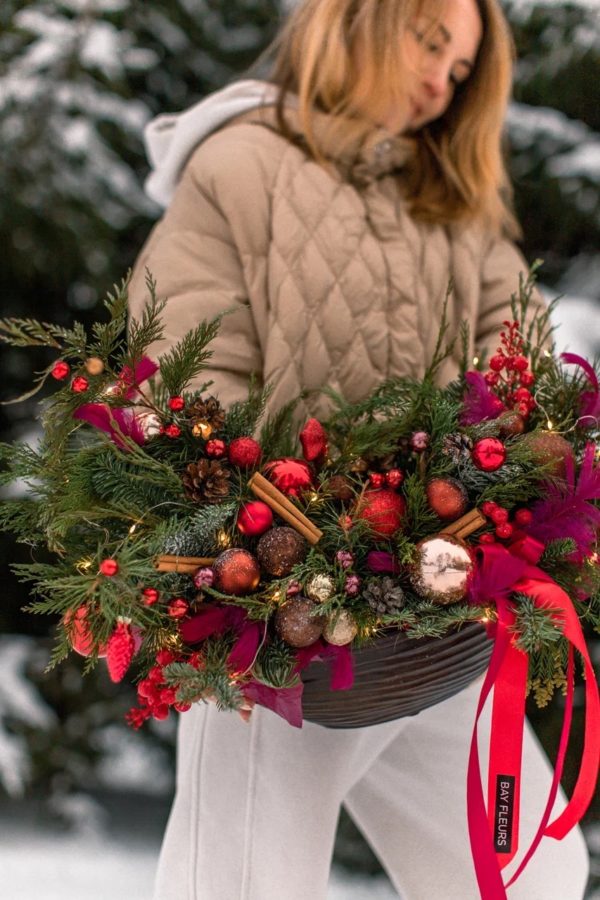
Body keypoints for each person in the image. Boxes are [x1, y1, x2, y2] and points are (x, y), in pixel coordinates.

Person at [128, 0, 590, 897]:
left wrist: (514, 473)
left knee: (529, 871)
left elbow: (520, 364)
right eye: (429, 44)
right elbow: (189, 370)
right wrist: (286, 529)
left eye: (459, 73)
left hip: (437, 625)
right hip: (277, 637)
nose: (438, 82)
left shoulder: (454, 206)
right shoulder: (239, 168)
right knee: (244, 883)